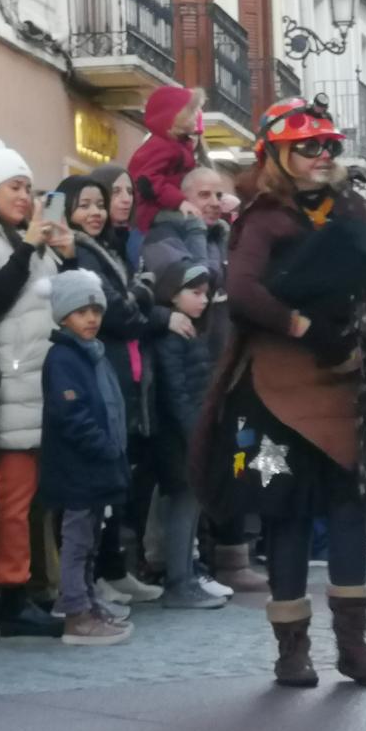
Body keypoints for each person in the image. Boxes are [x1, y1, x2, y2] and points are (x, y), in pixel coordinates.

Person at [209, 99, 366, 688]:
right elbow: (241, 292)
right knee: (284, 517)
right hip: (271, 393)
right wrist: (303, 326)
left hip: (343, 382)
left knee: (349, 512)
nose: (323, 156)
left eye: (328, 146)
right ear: (277, 155)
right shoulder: (261, 216)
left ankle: (353, 646)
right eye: (309, 147)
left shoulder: (350, 210)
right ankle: (291, 651)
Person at [0, 137, 70, 637]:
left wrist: (66, 254)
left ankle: (10, 587)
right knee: (10, 499)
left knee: (21, 499)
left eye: (29, 187)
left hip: (35, 387)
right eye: (14, 186)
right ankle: (8, 592)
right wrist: (30, 245)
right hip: (10, 387)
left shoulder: (28, 241)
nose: (26, 196)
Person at [56, 172, 163, 610]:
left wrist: (136, 301)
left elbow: (126, 310)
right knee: (92, 494)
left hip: (125, 375)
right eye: (86, 204)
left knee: (122, 477)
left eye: (103, 202)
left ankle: (115, 568)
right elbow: (119, 314)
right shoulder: (79, 252)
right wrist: (142, 295)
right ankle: (88, 583)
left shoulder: (111, 249)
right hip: (97, 373)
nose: (97, 211)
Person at [146, 163, 245, 598]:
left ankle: (200, 565)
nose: (213, 203)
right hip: (182, 408)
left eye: (217, 195)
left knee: (205, 488)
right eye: (203, 195)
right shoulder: (169, 238)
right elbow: (204, 276)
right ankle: (178, 573)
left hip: (214, 378)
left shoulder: (217, 235)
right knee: (180, 493)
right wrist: (195, 232)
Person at [41, 269, 134, 646]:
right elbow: (71, 414)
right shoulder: (63, 357)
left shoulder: (93, 354)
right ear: (64, 316)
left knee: (91, 537)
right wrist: (105, 446)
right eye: (81, 311)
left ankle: (85, 600)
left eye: (95, 310)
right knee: (77, 539)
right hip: (78, 466)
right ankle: (75, 612)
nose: (91, 318)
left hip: (96, 466)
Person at [143, 254, 228, 609]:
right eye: (195, 291)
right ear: (173, 295)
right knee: (182, 504)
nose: (203, 299)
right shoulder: (170, 337)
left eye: (206, 292)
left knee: (191, 505)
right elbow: (177, 394)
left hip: (190, 434)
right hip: (179, 439)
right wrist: (199, 435)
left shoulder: (191, 331)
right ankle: (179, 580)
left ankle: (186, 574)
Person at [126, 85, 207, 221]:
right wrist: (179, 201)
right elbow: (147, 179)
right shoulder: (162, 145)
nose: (196, 116)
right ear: (175, 116)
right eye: (192, 112)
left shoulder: (180, 145)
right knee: (194, 226)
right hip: (151, 215)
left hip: (164, 210)